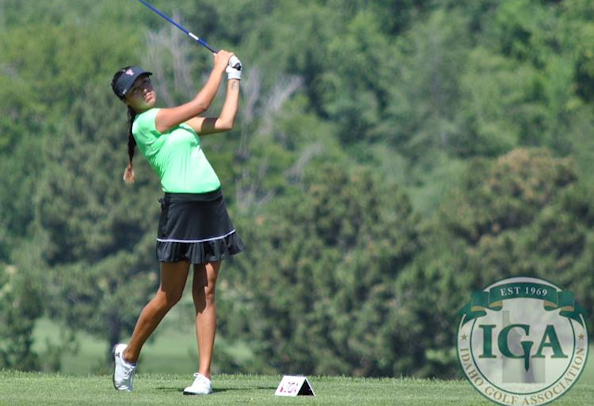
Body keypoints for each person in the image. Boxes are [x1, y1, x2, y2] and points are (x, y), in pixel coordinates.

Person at [109, 50, 244, 395]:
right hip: (181, 210)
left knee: (207, 291)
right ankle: (128, 356)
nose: (146, 87)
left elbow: (225, 122)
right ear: (127, 99)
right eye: (137, 87)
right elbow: (200, 104)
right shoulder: (147, 123)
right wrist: (217, 66)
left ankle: (204, 377)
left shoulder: (172, 118)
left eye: (146, 81)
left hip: (211, 205)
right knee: (169, 294)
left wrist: (233, 78)